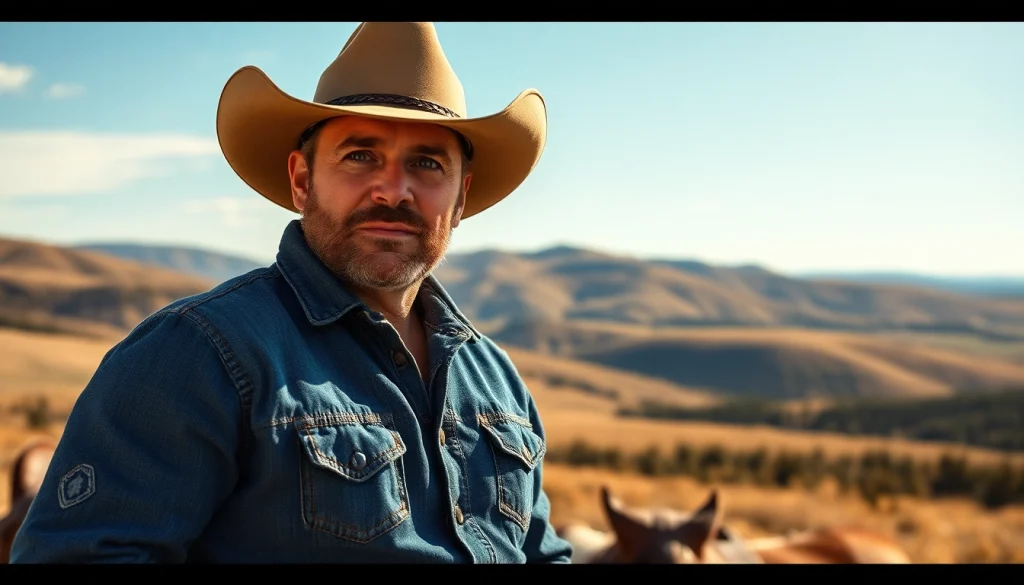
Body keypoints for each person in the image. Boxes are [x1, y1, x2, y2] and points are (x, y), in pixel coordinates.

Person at [11, 21, 572, 564]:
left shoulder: (495, 382)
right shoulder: (199, 352)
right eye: (361, 155)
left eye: (427, 163)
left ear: (461, 197)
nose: (393, 189)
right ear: (302, 180)